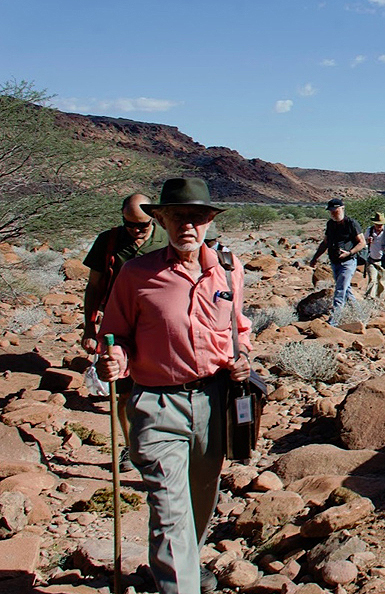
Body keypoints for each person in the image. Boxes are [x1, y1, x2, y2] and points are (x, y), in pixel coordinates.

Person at [97, 178, 252, 594]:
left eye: (196, 217)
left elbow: (239, 329)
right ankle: (179, 584)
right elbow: (114, 335)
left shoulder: (228, 269)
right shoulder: (136, 274)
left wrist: (242, 359)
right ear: (161, 219)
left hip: (214, 400)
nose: (188, 226)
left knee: (201, 499)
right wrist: (114, 358)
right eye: (178, 216)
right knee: (169, 509)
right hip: (158, 405)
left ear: (208, 221)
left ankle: (183, 562)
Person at [81, 193, 169, 472]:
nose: (137, 231)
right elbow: (94, 286)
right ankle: (132, 448)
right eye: (130, 225)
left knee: (164, 387)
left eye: (143, 225)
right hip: (120, 325)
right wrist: (89, 325)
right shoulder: (109, 241)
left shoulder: (167, 239)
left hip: (159, 326)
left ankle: (163, 445)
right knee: (123, 391)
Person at [309, 198, 366, 325]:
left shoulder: (351, 223)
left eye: (336, 210)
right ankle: (360, 313)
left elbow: (362, 242)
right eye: (331, 211)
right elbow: (325, 243)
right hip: (334, 262)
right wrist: (315, 258)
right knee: (346, 289)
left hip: (348, 262)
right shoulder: (330, 224)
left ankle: (334, 320)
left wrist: (350, 252)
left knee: (340, 290)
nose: (334, 213)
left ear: (342, 208)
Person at [363, 212, 385, 301]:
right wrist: (367, 241)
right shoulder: (369, 230)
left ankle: (379, 299)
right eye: (377, 224)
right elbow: (363, 242)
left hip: (383, 261)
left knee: (382, 281)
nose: (379, 226)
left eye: (381, 224)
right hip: (371, 259)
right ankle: (369, 298)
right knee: (372, 279)